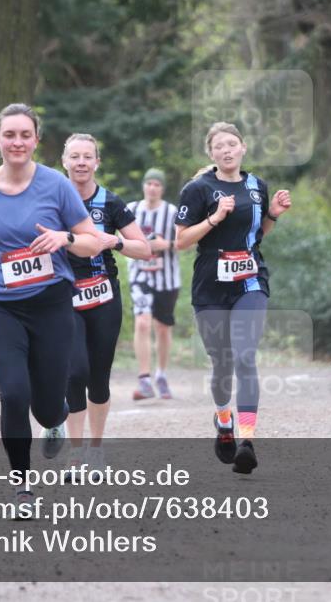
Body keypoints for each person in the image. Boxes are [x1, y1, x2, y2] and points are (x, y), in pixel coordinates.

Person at [0, 103, 101, 508]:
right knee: (14, 395)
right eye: (10, 134)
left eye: (25, 135)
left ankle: (53, 424)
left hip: (51, 305)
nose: (17, 142)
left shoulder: (56, 185)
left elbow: (91, 239)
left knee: (50, 406)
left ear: (36, 140)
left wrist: (64, 240)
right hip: (0, 305)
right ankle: (22, 486)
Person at [175, 121, 291, 474]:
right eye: (219, 146)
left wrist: (273, 214)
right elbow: (181, 241)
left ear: (243, 147)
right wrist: (214, 218)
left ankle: (247, 440)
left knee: (244, 357)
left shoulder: (258, 187)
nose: (226, 150)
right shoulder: (197, 189)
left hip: (250, 281)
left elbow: (257, 235)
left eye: (232, 144)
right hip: (210, 285)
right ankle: (223, 420)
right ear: (210, 153)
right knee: (222, 362)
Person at [61, 133, 151, 478]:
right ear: (64, 162)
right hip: (64, 296)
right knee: (75, 372)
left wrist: (116, 241)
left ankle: (95, 450)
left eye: (88, 157)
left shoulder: (111, 203)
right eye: (75, 156)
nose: (81, 162)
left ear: (97, 162)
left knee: (98, 377)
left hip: (103, 297)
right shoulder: (52, 199)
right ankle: (75, 453)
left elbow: (143, 249)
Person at [127, 168, 182, 400]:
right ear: (143, 186)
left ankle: (161, 373)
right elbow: (120, 239)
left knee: (162, 327)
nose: (152, 188)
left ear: (162, 188)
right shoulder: (131, 210)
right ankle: (144, 378)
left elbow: (186, 241)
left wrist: (165, 244)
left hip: (167, 278)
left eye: (156, 184)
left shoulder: (172, 212)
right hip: (140, 276)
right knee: (142, 323)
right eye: (148, 183)